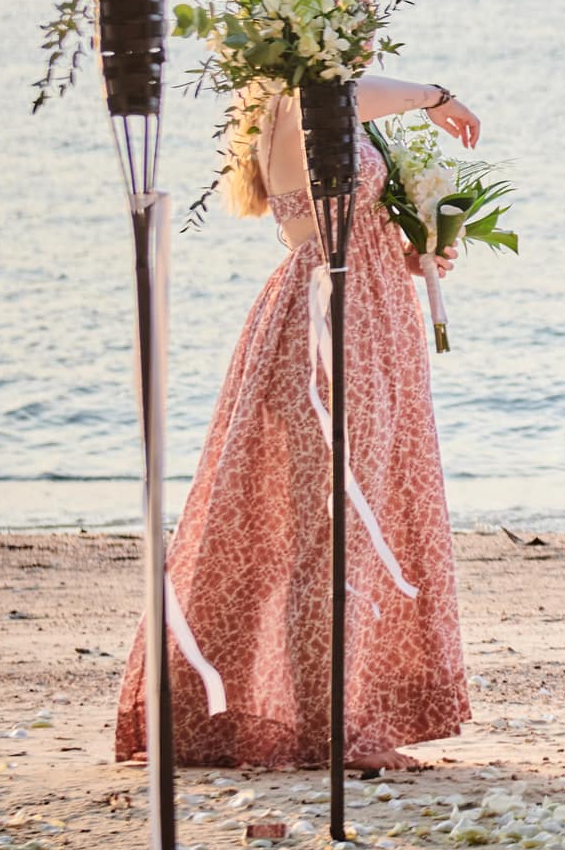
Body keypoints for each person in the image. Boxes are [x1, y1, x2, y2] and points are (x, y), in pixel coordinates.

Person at [113, 74, 483, 769]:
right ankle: (327, 728)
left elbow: (337, 212)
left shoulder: (320, 108)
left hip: (370, 313)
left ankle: (339, 713)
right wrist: (438, 95)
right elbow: (344, 102)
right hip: (326, 319)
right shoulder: (301, 103)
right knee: (331, 528)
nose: (363, 37)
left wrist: (408, 252)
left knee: (358, 514)